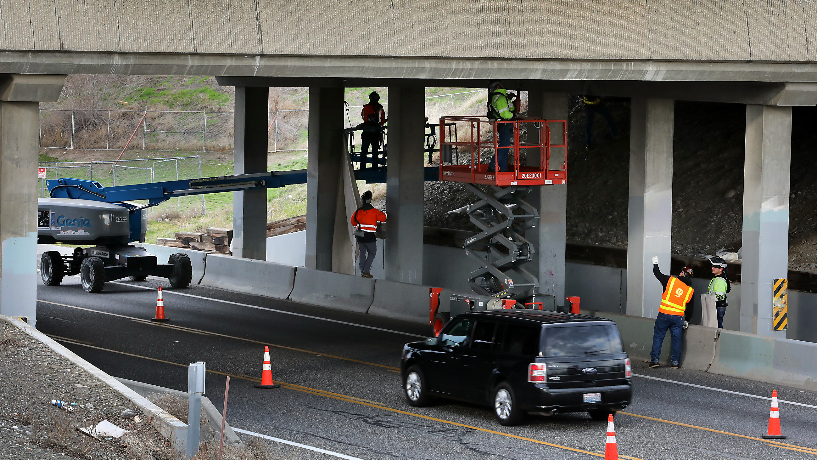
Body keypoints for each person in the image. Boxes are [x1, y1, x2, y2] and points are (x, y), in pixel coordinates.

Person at [648, 256, 695, 369]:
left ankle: (655, 361)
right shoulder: (690, 291)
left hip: (664, 315)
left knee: (659, 337)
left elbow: (657, 274)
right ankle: (675, 362)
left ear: (683, 274)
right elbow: (690, 308)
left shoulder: (671, 281)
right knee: (677, 340)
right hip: (678, 318)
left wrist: (655, 263)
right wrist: (687, 320)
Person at [350, 190, 387, 278]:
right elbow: (383, 218)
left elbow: (353, 222)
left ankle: (362, 269)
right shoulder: (374, 212)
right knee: (372, 253)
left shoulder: (357, 212)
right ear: (370, 200)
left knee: (362, 252)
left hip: (359, 236)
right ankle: (366, 271)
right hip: (369, 237)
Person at [487, 81, 518, 172]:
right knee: (504, 145)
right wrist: (513, 116)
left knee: (505, 146)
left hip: (503, 124)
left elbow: (509, 108)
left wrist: (511, 102)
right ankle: (493, 165)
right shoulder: (500, 98)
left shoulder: (500, 97)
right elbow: (505, 114)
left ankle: (503, 168)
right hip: (505, 123)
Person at [360, 92, 386, 159]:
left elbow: (363, 117)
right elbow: (382, 122)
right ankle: (375, 167)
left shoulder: (365, 108)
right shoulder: (380, 109)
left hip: (366, 132)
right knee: (375, 152)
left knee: (364, 152)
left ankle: (363, 168)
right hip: (376, 134)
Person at [707, 256, 731, 328]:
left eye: (715, 267)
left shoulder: (720, 281)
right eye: (712, 266)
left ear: (721, 269)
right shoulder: (716, 278)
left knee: (717, 327)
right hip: (715, 306)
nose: (712, 268)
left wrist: (710, 300)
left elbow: (720, 297)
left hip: (717, 307)